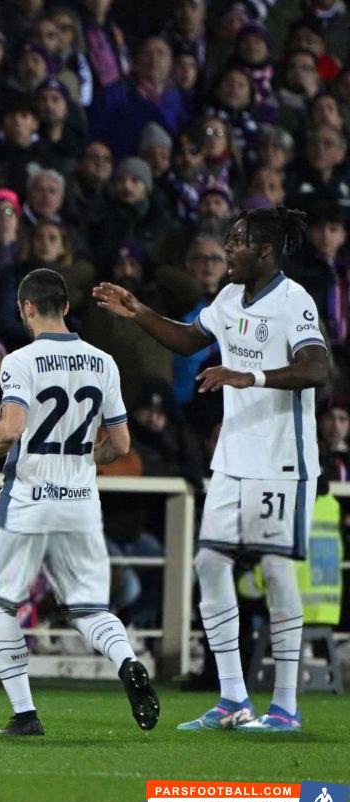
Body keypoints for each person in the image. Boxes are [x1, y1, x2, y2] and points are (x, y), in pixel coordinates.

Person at [93, 207, 329, 733]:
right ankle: (232, 698)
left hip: (281, 461)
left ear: (264, 251)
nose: (228, 249)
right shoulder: (227, 298)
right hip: (232, 459)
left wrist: (250, 376)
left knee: (275, 570)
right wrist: (139, 312)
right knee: (209, 563)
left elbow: (317, 367)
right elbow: (188, 339)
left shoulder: (294, 301)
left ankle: (285, 707)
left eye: (238, 241)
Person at [0, 268, 158, 736]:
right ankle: (127, 661)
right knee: (88, 607)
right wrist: (82, 458)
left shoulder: (20, 361)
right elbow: (120, 444)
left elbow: (10, 430)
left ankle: (25, 714)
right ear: (67, 308)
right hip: (80, 502)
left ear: (27, 308)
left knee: (0, 602)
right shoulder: (104, 362)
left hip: (28, 500)